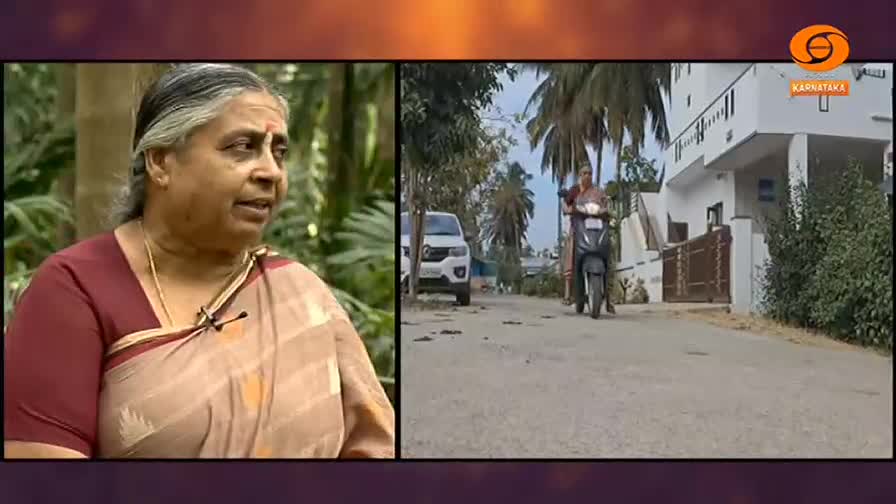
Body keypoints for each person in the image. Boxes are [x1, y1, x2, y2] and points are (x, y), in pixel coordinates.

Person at [4, 63, 395, 458]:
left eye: (279, 153)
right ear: (160, 161)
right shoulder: (74, 289)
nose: (270, 172)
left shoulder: (302, 295)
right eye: (242, 147)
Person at [561, 165, 615, 314]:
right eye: (584, 173)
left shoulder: (598, 192)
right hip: (579, 227)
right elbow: (566, 204)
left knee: (609, 255)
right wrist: (568, 209)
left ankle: (610, 299)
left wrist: (607, 210)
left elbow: (605, 204)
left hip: (597, 228)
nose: (588, 176)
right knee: (571, 253)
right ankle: (568, 293)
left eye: (590, 173)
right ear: (580, 175)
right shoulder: (574, 191)